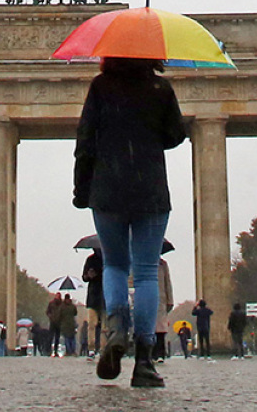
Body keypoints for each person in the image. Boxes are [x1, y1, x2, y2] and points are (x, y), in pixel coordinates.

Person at [73, 56, 186, 387]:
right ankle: (145, 360)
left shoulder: (101, 86)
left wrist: (82, 188)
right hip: (149, 188)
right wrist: (149, 130)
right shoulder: (160, 87)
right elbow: (175, 134)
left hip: (108, 188)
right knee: (148, 271)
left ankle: (118, 327)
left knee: (115, 266)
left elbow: (85, 140)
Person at [81, 248, 105, 357]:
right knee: (92, 324)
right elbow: (84, 277)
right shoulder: (90, 260)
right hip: (94, 296)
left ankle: (103, 348)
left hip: (103, 295)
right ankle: (92, 348)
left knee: (104, 326)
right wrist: (88, 275)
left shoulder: (107, 259)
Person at [154, 258, 174, 362]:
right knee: (149, 328)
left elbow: (167, 282)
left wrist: (170, 300)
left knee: (160, 329)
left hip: (161, 299)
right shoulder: (140, 259)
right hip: (147, 298)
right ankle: (151, 353)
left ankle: (160, 353)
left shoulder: (163, 264)